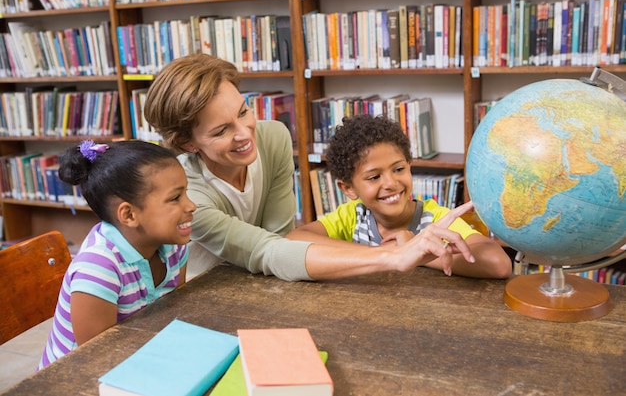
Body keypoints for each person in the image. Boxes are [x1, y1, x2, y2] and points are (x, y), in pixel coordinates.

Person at [143, 53, 481, 282]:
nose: (245, 134)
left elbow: (283, 238)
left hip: (277, 277)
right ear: (188, 143)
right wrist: (391, 256)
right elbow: (267, 250)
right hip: (214, 291)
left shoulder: (272, 139)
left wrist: (396, 251)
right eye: (221, 131)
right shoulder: (186, 193)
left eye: (244, 111)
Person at [287, 114, 512, 279]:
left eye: (398, 169)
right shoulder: (352, 217)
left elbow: (499, 264)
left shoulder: (434, 219)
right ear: (348, 189)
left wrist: (419, 250)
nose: (391, 183)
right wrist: (390, 253)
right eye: (374, 177)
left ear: (409, 166)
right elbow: (292, 241)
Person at [38, 140, 196, 369]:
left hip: (141, 355)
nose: (191, 205)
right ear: (129, 215)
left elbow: (172, 316)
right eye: (175, 198)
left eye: (186, 193)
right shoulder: (98, 268)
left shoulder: (173, 245)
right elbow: (98, 358)